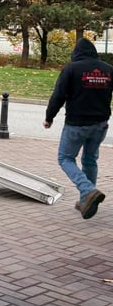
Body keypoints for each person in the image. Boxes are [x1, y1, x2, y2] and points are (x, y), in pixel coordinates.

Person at [44, 37, 111, 219]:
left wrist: (49, 117)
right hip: (100, 124)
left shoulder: (72, 69)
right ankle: (86, 201)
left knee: (65, 158)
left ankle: (88, 190)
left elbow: (58, 95)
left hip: (77, 123)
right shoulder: (108, 70)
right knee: (90, 160)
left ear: (76, 53)